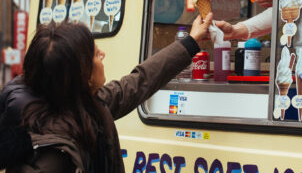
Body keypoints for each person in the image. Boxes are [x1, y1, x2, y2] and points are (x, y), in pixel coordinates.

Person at [0, 12, 213, 172]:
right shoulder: (54, 156)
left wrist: (191, 42)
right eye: (94, 54)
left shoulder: (85, 106)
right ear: (82, 75)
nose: (103, 53)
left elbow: (139, 81)